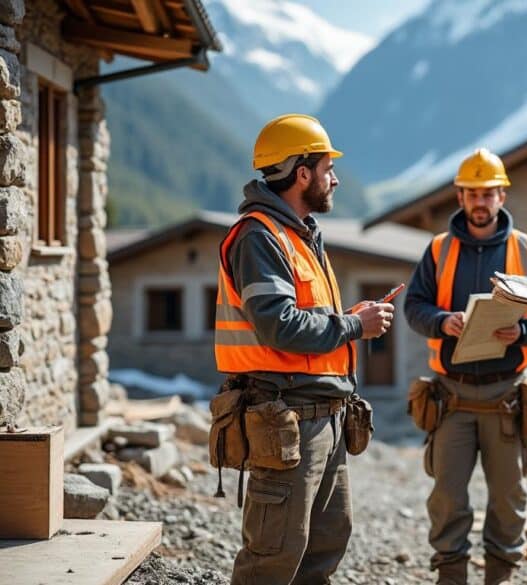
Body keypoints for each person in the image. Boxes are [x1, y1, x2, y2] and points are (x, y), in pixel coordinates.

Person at [214, 114, 395, 585]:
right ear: (302, 175)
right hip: (288, 418)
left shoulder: (298, 233)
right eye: (327, 167)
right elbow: (279, 326)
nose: (333, 177)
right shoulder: (260, 236)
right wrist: (355, 324)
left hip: (322, 416)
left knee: (325, 544)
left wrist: (347, 319)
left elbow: (306, 319)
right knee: (273, 557)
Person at [404, 148, 527, 585]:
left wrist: (525, 331)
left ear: (502, 196)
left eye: (488, 193)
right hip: (452, 398)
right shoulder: (438, 250)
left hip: (507, 396)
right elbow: (413, 307)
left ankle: (500, 578)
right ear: (459, 196)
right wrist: (442, 321)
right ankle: (451, 577)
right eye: (472, 193)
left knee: (508, 499)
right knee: (447, 498)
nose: (480, 202)